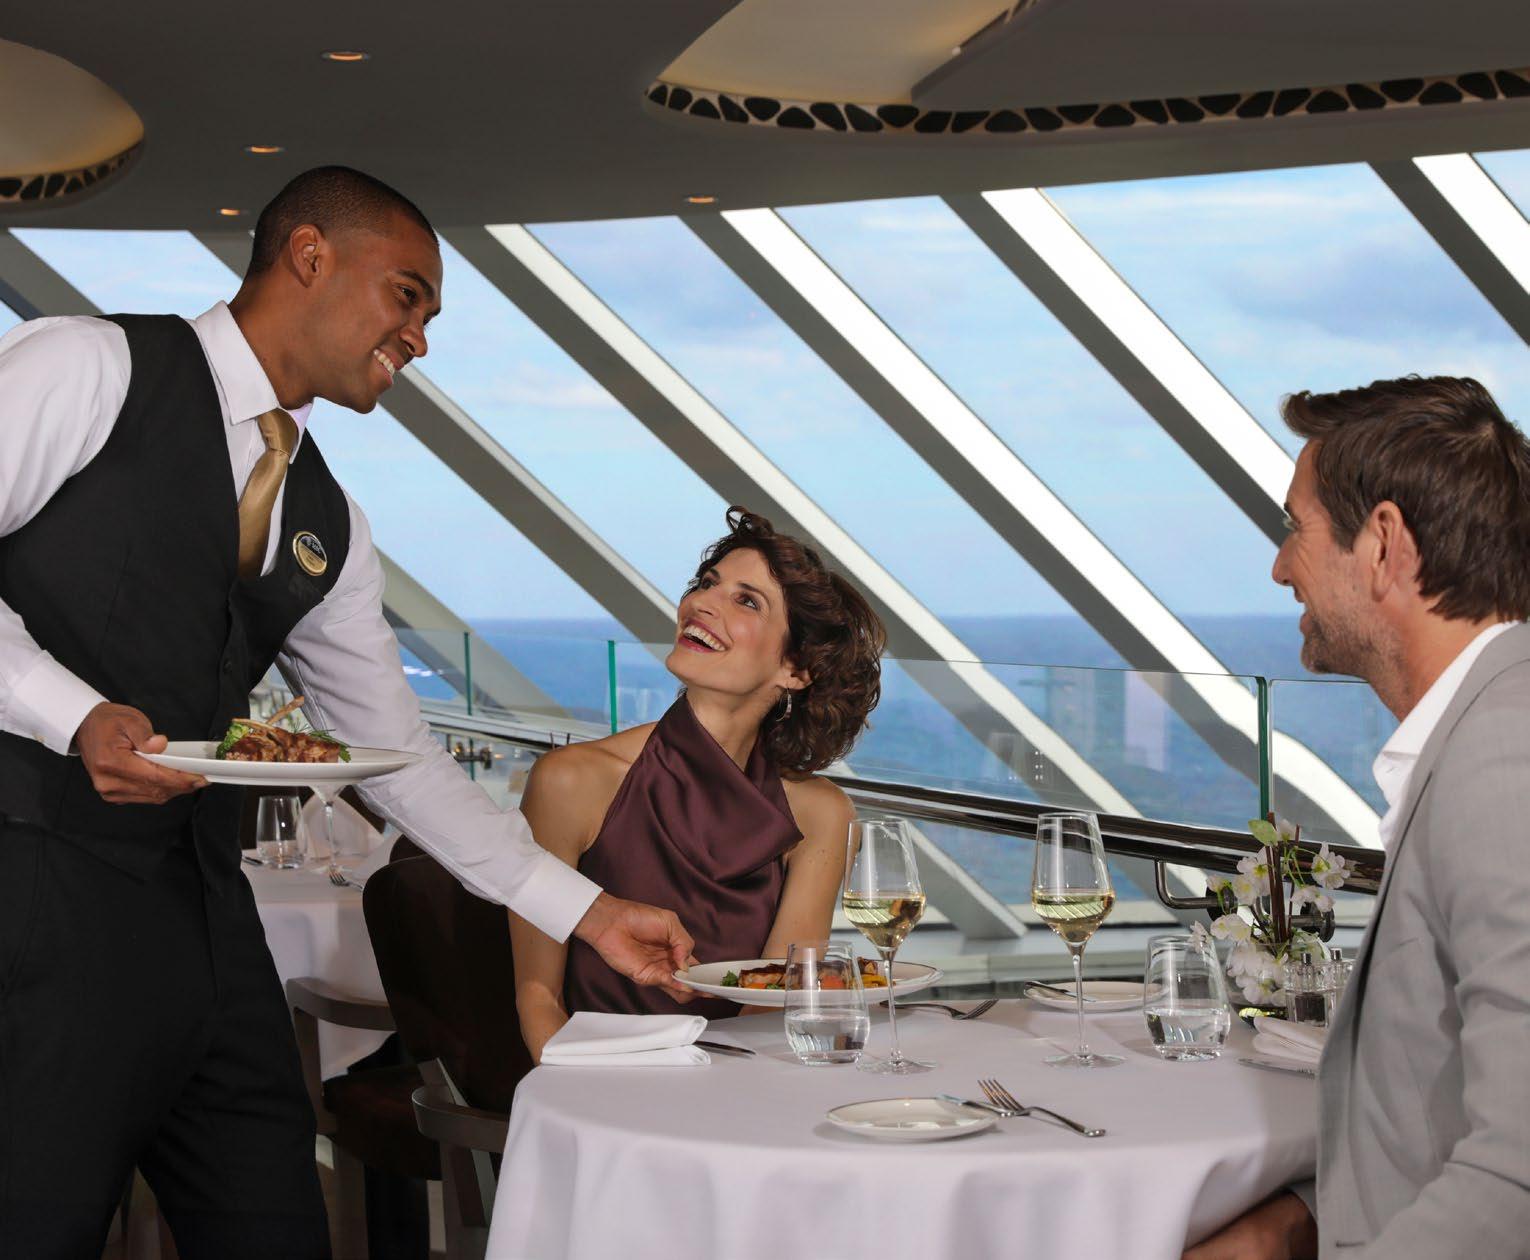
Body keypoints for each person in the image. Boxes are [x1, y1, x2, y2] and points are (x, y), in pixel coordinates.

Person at [0, 166, 694, 1259]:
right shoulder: (89, 366)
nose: (419, 338)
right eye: (408, 296)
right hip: (34, 895)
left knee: (278, 1229)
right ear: (310, 256)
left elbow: (396, 756)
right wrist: (70, 711)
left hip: (206, 923)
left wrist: (587, 913)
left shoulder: (331, 518)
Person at [1184, 375, 1530, 1260]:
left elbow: (1519, 1177)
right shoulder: (1486, 726)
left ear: (1382, 543)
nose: (1280, 567)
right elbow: (1437, 1105)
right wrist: (1293, 1222)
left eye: (1294, 528)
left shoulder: (1503, 759)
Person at [509, 507, 886, 1059]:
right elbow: (538, 1000)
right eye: (708, 583)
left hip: (744, 1076)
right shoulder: (571, 781)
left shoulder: (821, 813)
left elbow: (776, 1004)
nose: (702, 603)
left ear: (796, 669)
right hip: (601, 1076)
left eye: (747, 601)